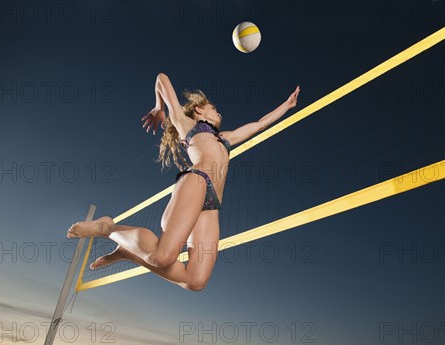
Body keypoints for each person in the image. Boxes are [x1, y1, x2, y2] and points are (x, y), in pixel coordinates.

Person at [67, 73, 300, 291]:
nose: (219, 113)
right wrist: (160, 107)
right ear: (199, 111)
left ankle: (129, 253)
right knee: (162, 256)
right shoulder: (187, 125)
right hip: (197, 182)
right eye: (214, 108)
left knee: (196, 281)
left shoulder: (225, 138)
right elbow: (161, 78)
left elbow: (259, 124)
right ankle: (106, 228)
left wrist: (286, 106)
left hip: (212, 207)